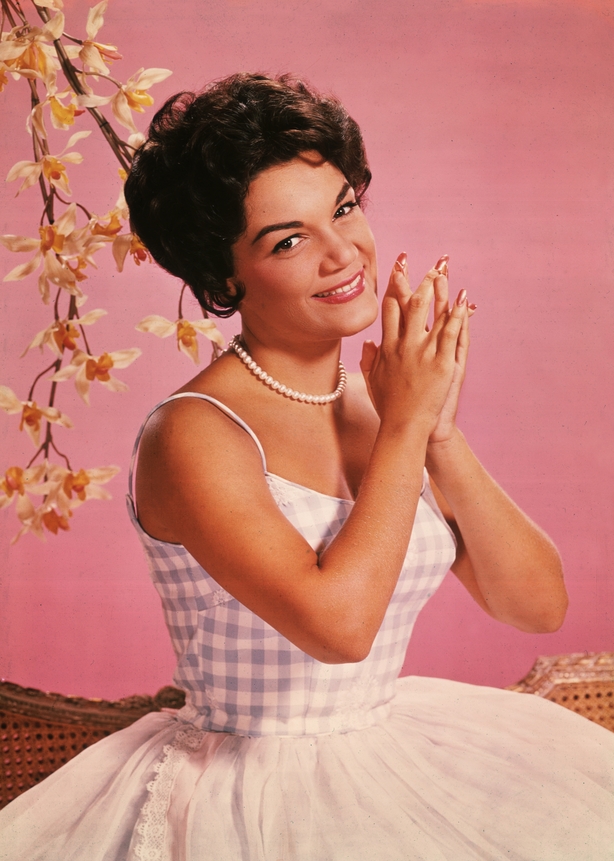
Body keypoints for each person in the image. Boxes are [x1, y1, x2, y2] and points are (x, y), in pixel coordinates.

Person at [0, 72, 612, 861]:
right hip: (243, 790)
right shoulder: (193, 433)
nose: (341, 254)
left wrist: (437, 435)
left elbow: (537, 604)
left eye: (344, 209)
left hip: (400, 750)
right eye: (287, 239)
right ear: (226, 278)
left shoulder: (384, 404)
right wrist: (405, 427)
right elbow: (339, 626)